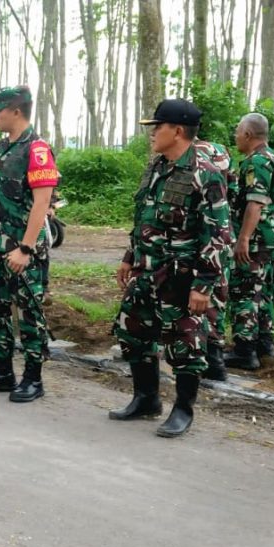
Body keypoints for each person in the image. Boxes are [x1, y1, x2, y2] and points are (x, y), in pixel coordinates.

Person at [110, 99, 230, 438]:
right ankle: (146, 398)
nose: (152, 133)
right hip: (146, 271)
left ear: (177, 131)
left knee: (186, 344)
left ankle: (182, 410)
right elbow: (145, 218)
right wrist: (129, 256)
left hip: (181, 276)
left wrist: (204, 285)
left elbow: (218, 234)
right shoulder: (157, 167)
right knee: (133, 331)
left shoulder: (205, 173)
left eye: (157, 127)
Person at [0, 87, 58, 402]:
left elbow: (42, 202)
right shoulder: (0, 148)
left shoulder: (37, 149)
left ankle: (33, 378)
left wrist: (26, 249)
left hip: (22, 248)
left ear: (16, 111)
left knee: (29, 313)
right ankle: (3, 371)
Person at [224, 113, 274, 370]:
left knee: (245, 291)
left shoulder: (256, 162)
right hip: (272, 235)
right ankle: (265, 345)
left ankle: (244, 350)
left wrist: (243, 238)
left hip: (257, 237)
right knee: (263, 291)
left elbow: (255, 203)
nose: (236, 137)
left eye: (238, 132)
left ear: (248, 134)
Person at [193, 138, 235, 382]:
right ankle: (215, 359)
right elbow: (234, 189)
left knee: (202, 298)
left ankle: (209, 360)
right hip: (223, 229)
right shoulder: (220, 150)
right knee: (218, 296)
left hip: (204, 236)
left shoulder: (193, 156)